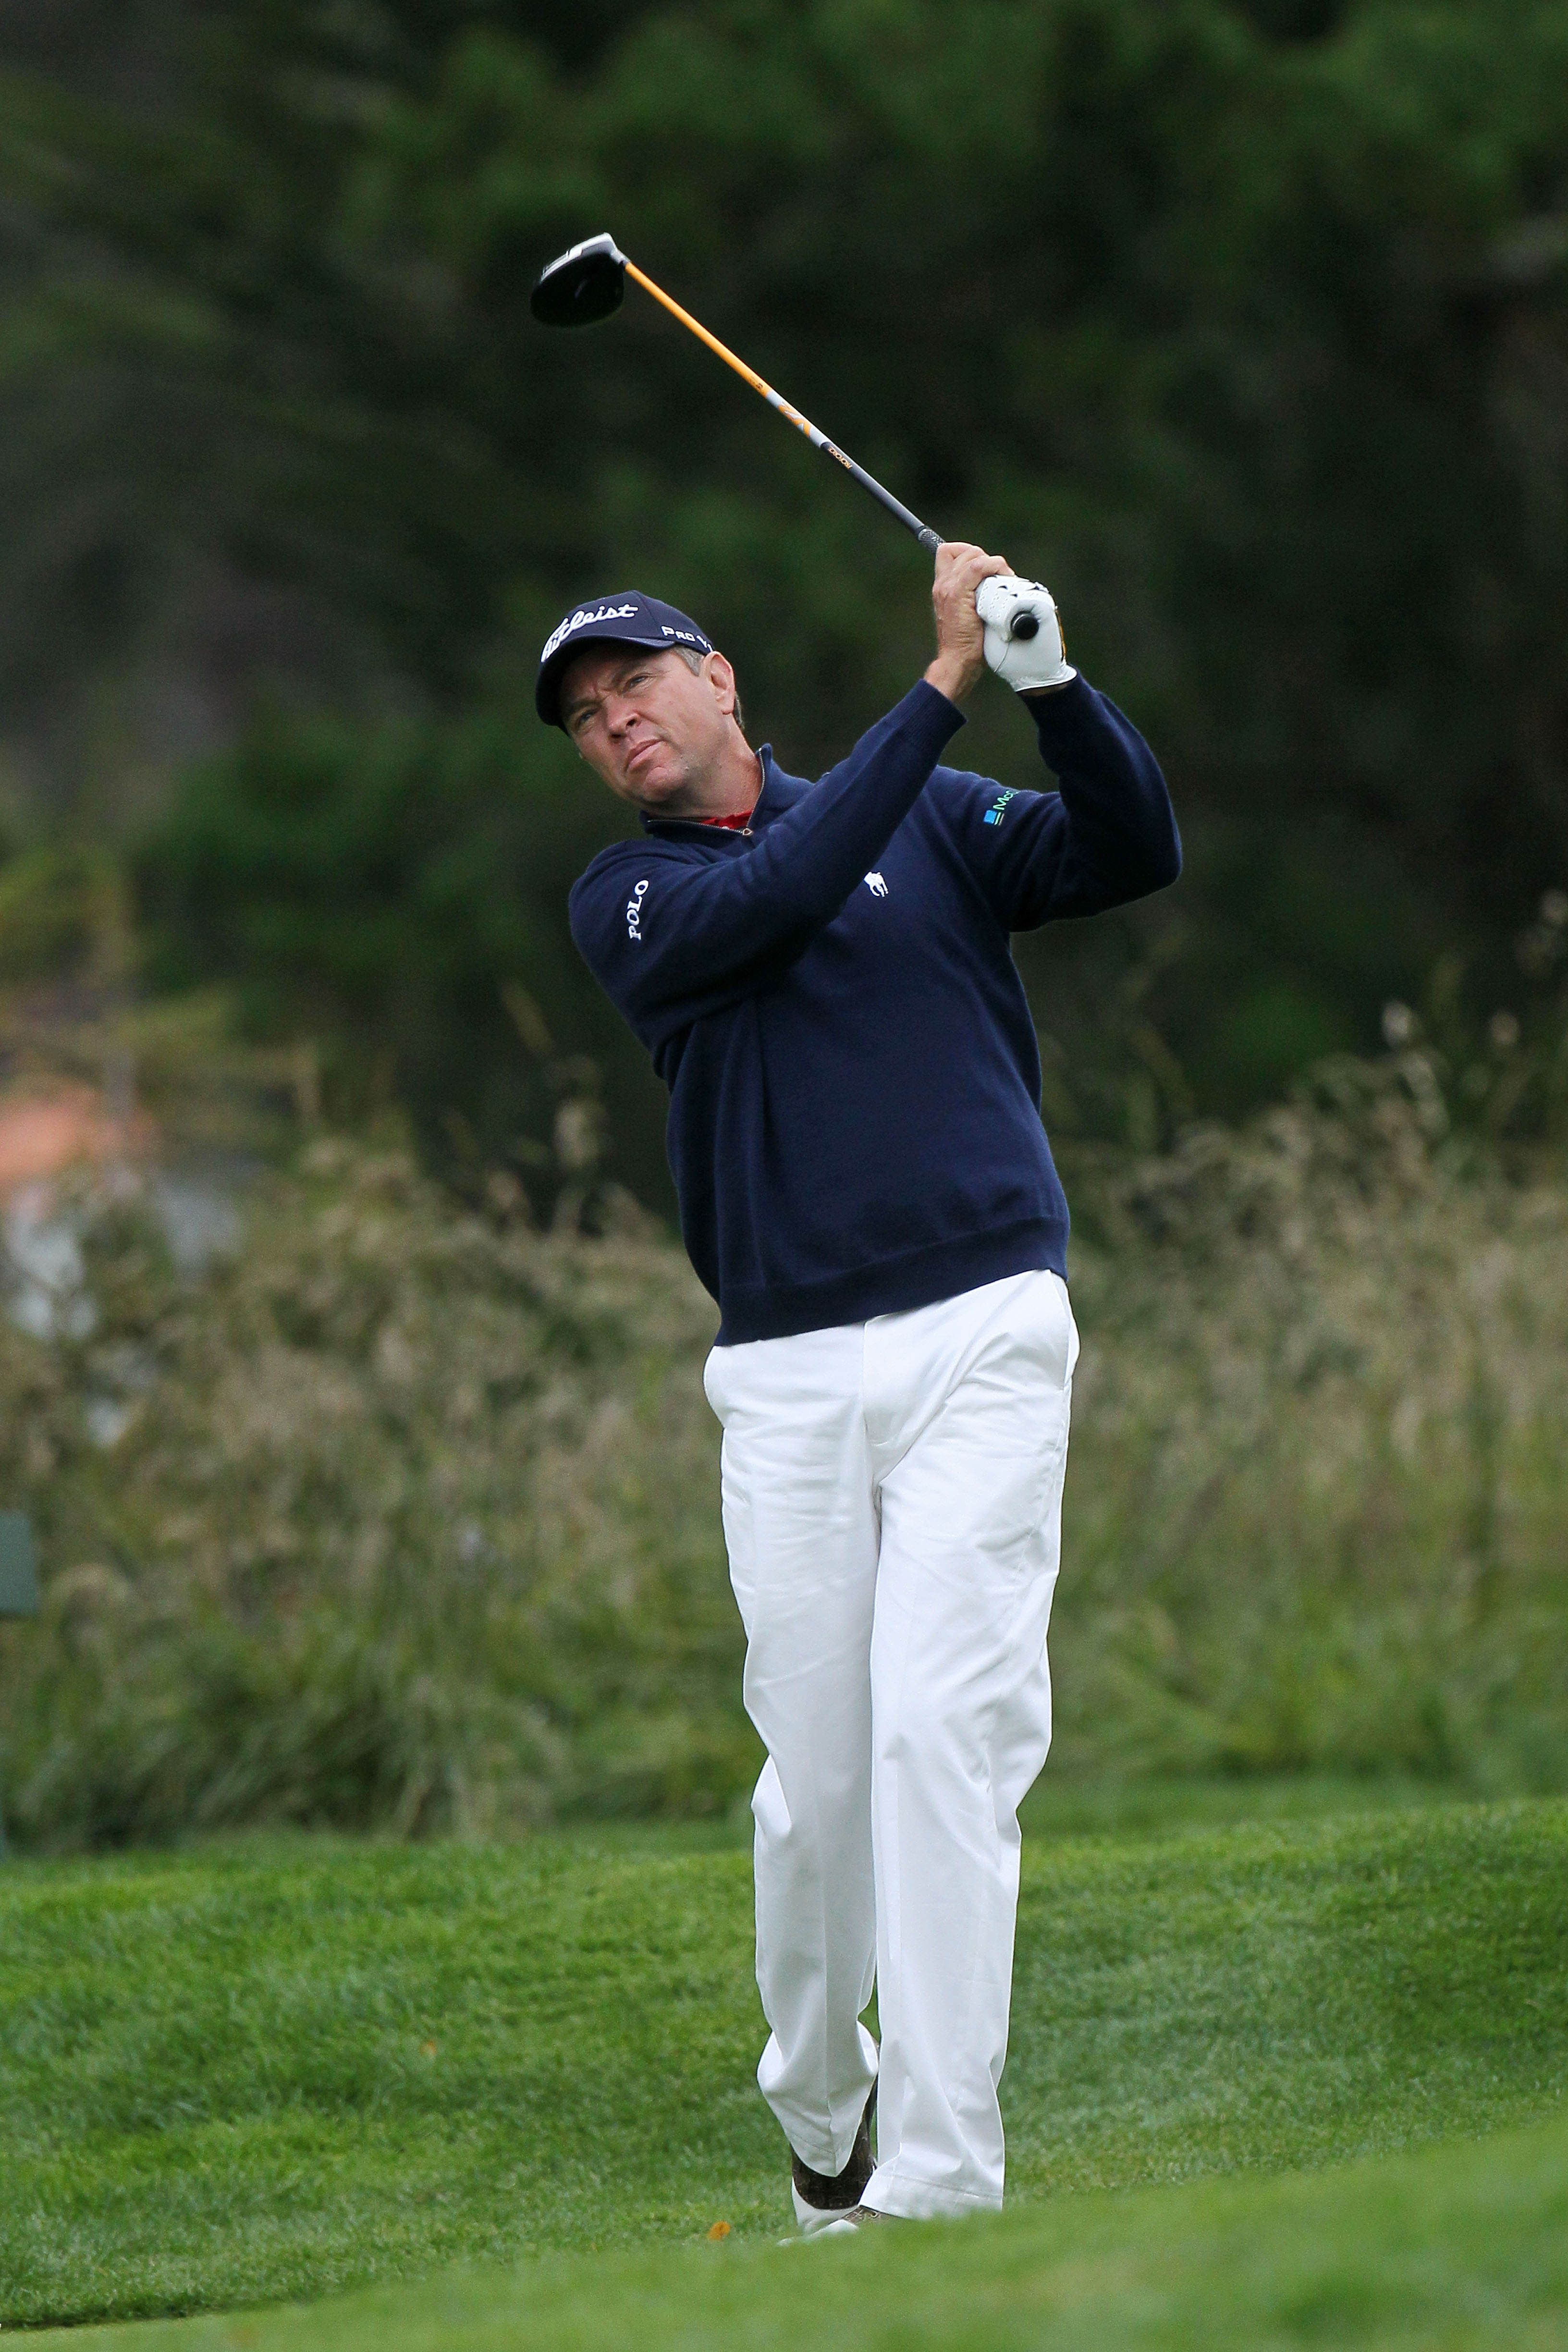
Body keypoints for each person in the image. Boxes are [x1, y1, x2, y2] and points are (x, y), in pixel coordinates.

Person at [537, 545, 1180, 2230]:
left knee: (940, 1742)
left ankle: (946, 2184)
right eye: (590, 723)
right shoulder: (631, 898)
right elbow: (775, 901)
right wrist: (943, 683)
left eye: (638, 689)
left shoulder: (937, 813)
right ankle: (829, 2116)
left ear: (721, 675)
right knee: (817, 1793)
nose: (618, 730)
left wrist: (1047, 683)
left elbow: (1133, 849)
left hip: (984, 1324)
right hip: (791, 1375)